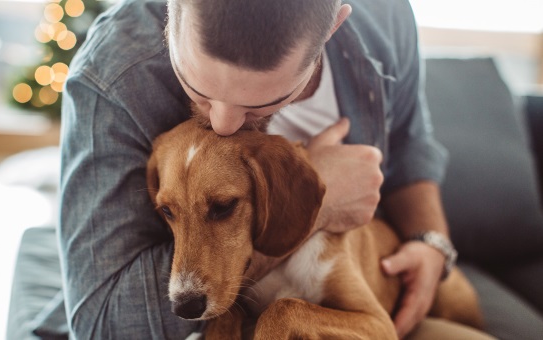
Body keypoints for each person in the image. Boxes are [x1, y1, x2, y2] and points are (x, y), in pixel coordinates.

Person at [59, 0, 495, 338]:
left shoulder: (384, 13)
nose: (222, 124)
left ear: (331, 28)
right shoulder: (110, 78)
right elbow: (101, 326)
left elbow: (409, 140)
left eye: (259, 103)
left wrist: (431, 242)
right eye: (199, 87)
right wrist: (321, 204)